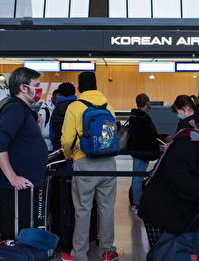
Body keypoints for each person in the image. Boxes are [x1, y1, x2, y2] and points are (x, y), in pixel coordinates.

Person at [138, 98, 199, 247]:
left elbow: (194, 172)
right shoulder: (189, 141)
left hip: (173, 214)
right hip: (162, 214)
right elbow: (176, 174)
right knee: (165, 256)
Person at [60, 72, 118, 261]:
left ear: (79, 87)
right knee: (107, 208)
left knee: (83, 209)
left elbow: (67, 139)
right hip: (109, 162)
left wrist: (70, 156)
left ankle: (79, 254)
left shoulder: (74, 107)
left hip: (84, 162)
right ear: (95, 85)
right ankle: (107, 252)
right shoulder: (108, 106)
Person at [0, 67, 48, 240]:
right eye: (36, 85)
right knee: (14, 232)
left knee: (25, 231)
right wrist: (13, 177)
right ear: (23, 88)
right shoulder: (14, 109)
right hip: (16, 187)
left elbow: (25, 142)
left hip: (27, 185)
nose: (39, 89)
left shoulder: (25, 110)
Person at [127, 93, 168, 213]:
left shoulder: (134, 116)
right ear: (147, 103)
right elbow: (152, 135)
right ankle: (137, 203)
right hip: (143, 152)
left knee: (136, 177)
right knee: (138, 178)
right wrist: (164, 138)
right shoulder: (144, 118)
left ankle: (136, 202)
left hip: (136, 151)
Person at [50, 82, 77, 151]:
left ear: (60, 93)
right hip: (77, 148)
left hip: (59, 147)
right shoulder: (78, 107)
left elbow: (52, 132)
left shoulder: (56, 109)